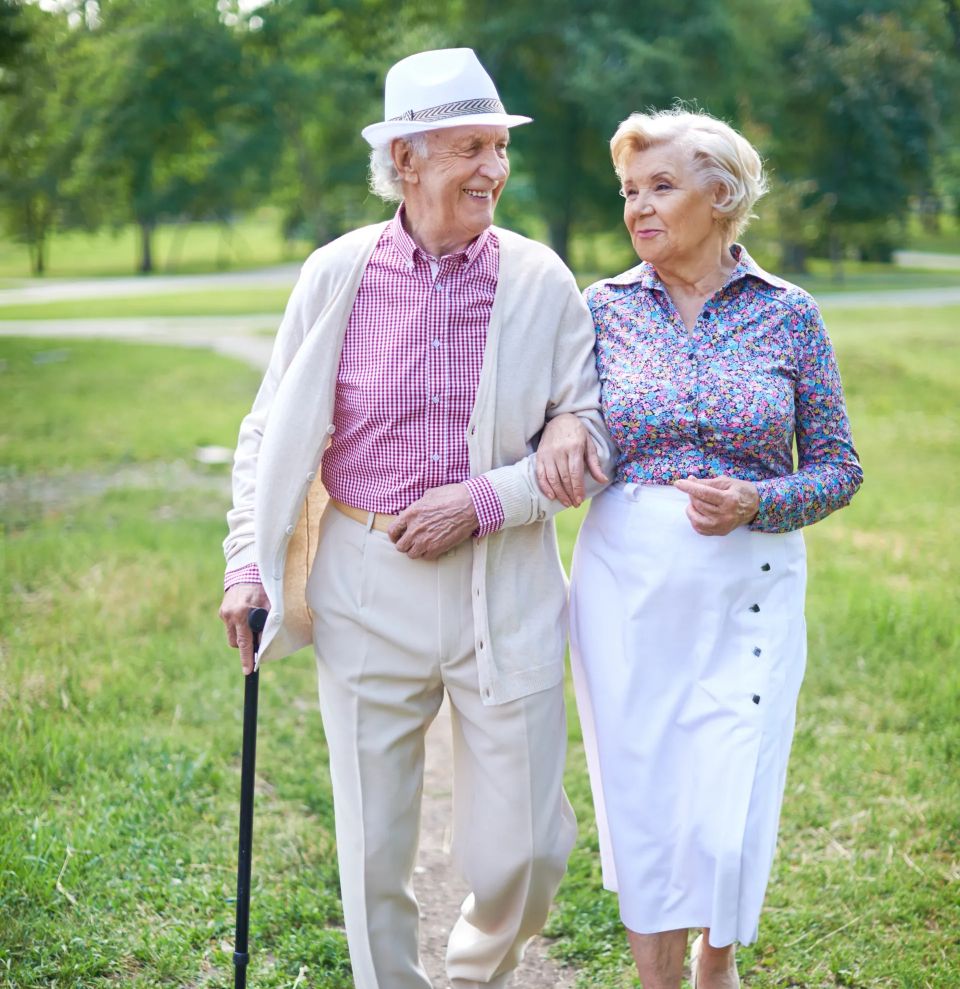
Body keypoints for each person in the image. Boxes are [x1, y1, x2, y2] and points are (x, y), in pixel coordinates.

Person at [218, 48, 613, 989]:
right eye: (471, 147)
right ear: (406, 158)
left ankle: (473, 975)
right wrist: (247, 564)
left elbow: (589, 434)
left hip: (505, 577)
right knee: (373, 845)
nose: (493, 168)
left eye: (498, 147)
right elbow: (268, 431)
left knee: (524, 848)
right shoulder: (336, 274)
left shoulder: (540, 279)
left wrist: (487, 497)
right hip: (362, 576)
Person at [536, 109, 862, 989]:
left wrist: (761, 498)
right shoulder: (598, 308)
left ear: (722, 197)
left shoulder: (789, 315)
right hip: (626, 588)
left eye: (661, 187)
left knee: (729, 797)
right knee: (643, 797)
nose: (639, 208)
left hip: (747, 581)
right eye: (629, 192)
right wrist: (566, 418)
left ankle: (716, 967)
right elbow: (556, 411)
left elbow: (839, 466)